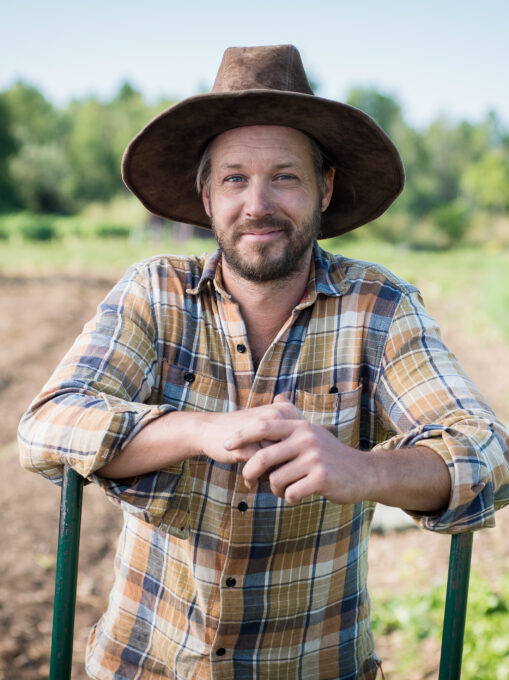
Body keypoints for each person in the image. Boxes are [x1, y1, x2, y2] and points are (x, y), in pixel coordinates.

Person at [18, 45, 509, 680]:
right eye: (234, 178)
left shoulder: (378, 308)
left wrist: (361, 470)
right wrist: (197, 430)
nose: (257, 204)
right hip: (146, 665)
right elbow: (47, 424)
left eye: (284, 176)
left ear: (324, 188)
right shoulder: (155, 293)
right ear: (205, 193)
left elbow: (488, 451)